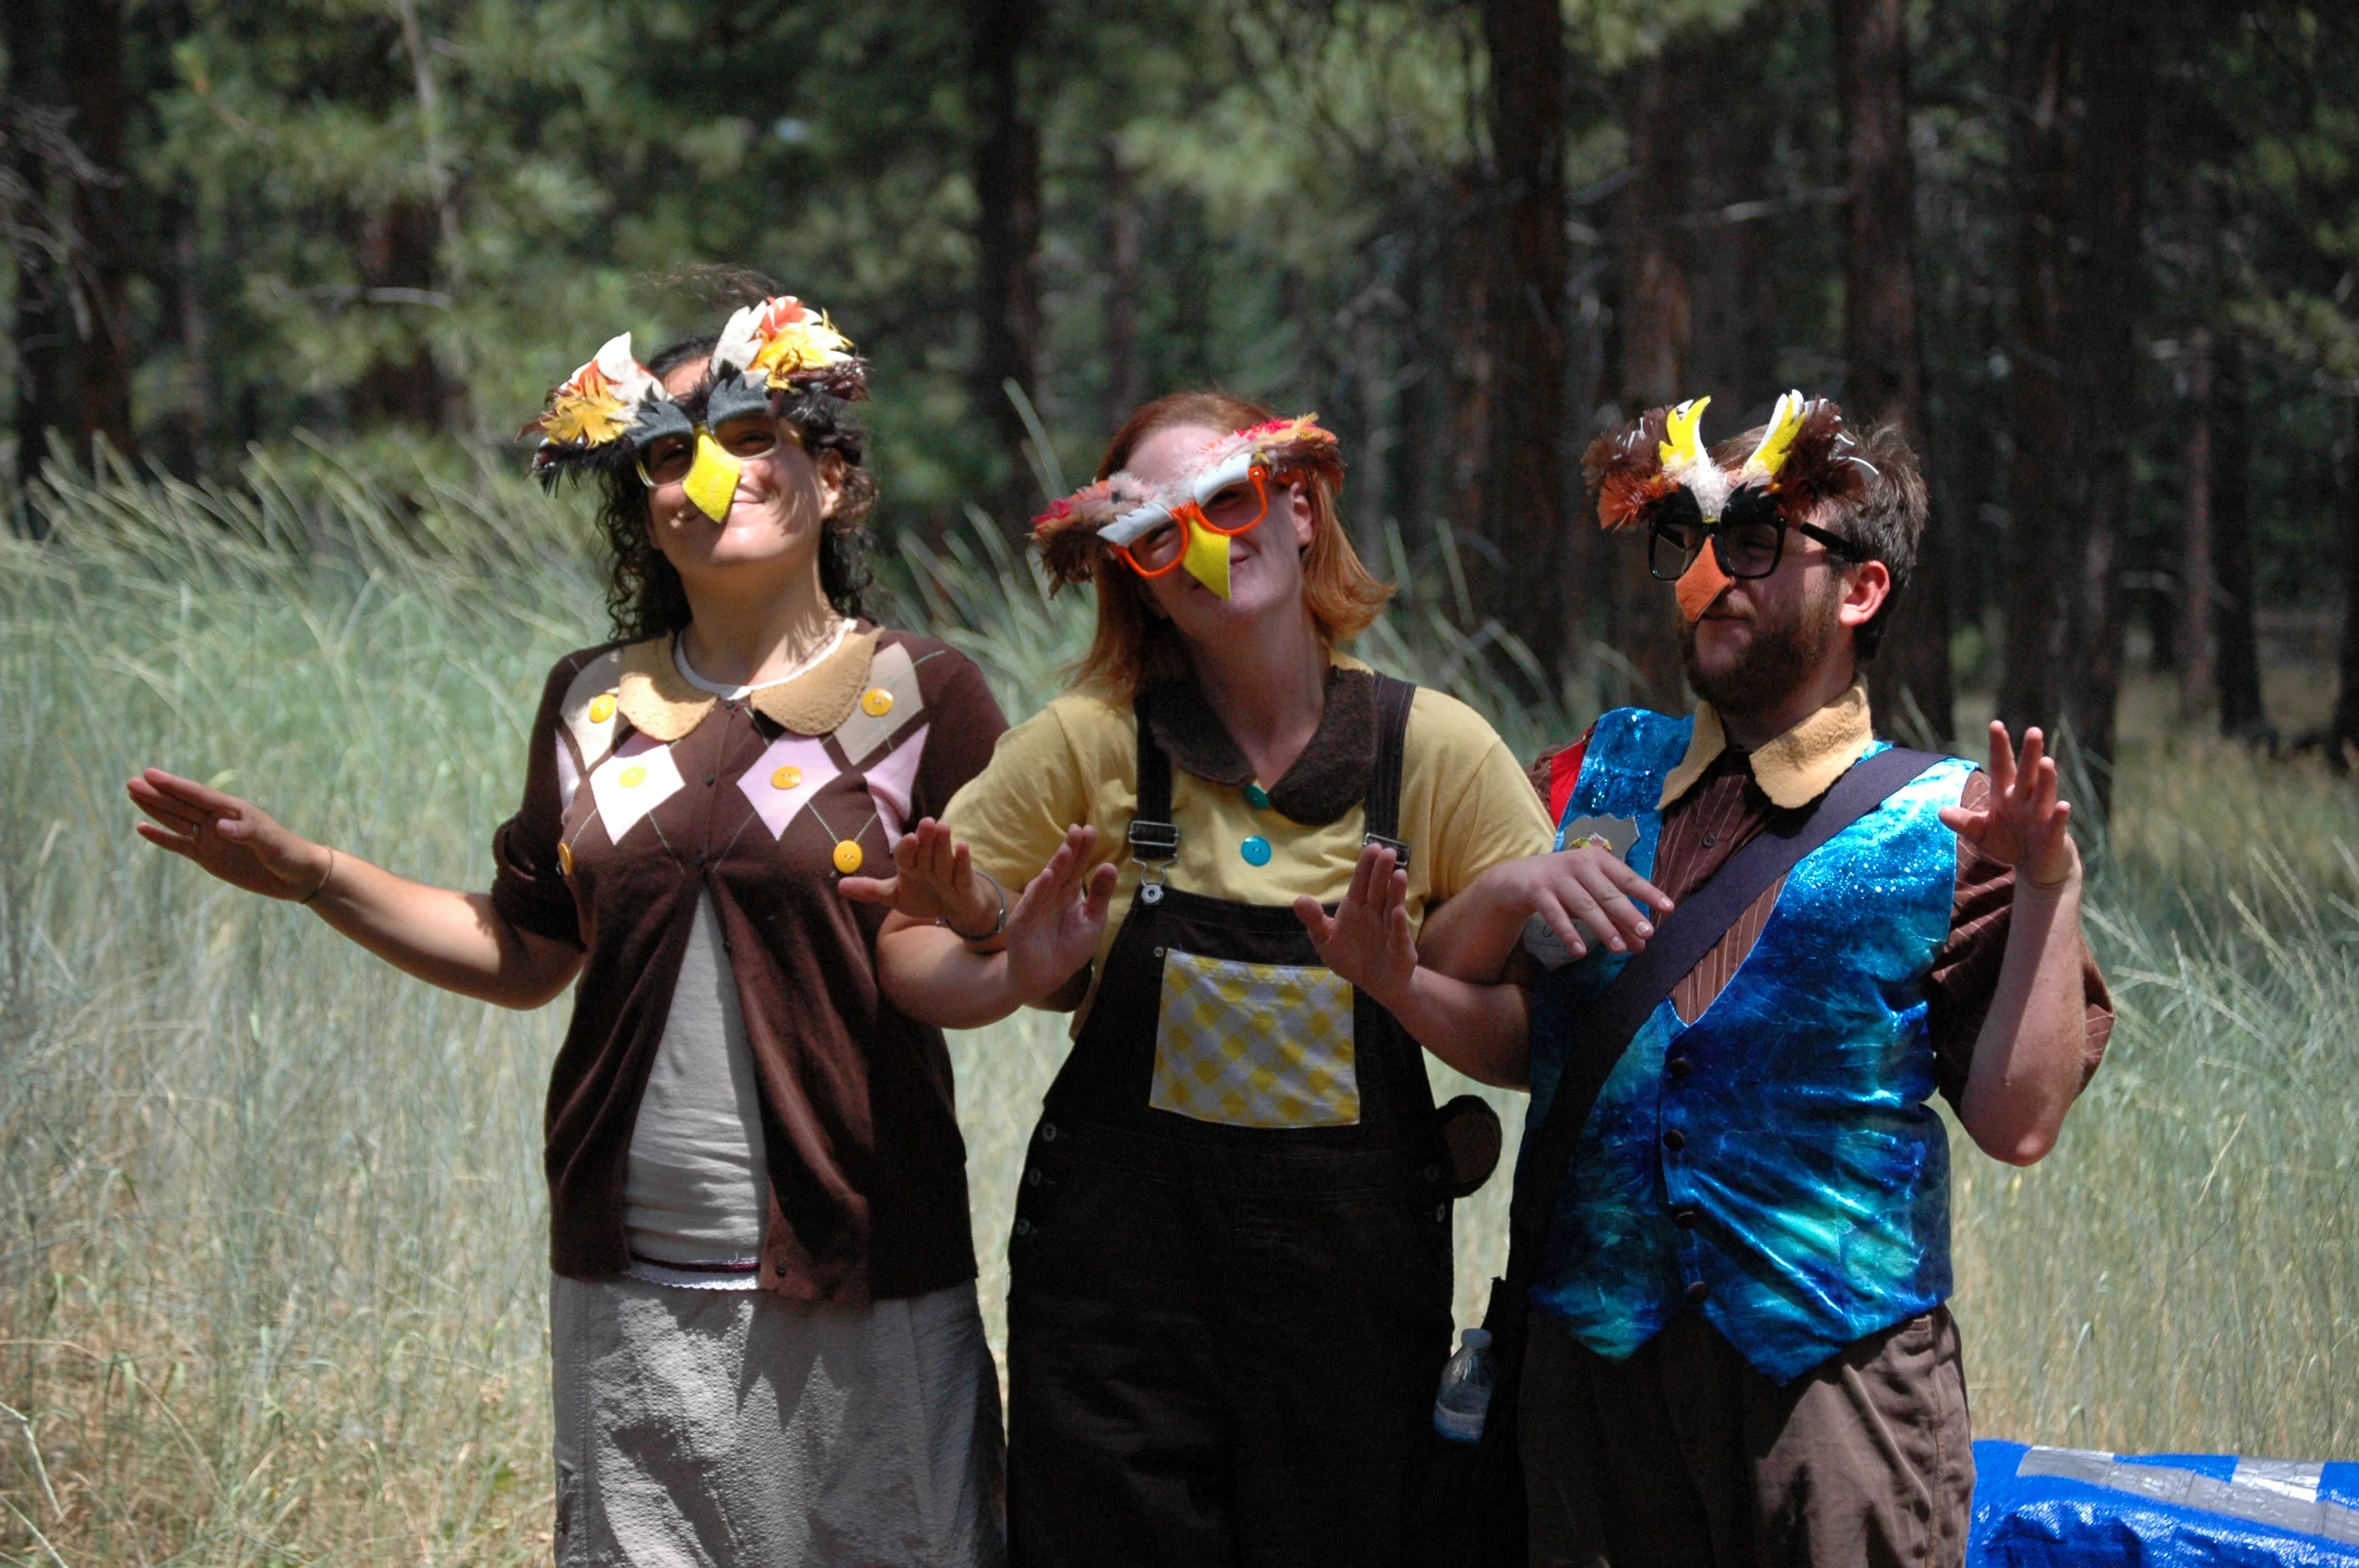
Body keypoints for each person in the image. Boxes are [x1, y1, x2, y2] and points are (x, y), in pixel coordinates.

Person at [126, 293, 1011, 1567]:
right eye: (669, 452)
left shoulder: (921, 695)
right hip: (628, 1285)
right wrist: (313, 873)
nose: (712, 471)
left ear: (830, 476)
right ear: (642, 504)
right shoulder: (589, 702)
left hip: (862, 1272)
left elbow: (998, 947)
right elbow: (527, 948)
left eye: (750, 433)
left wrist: (995, 929)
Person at [840, 392, 1648, 1567]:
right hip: (1114, 1324)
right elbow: (909, 951)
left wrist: (1406, 983)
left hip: (1351, 1333)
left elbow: (1535, 1045)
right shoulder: (1088, 742)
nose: (1205, 547)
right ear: (1134, 575)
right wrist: (1013, 969)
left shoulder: (1435, 753)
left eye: (1227, 500)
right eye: (1159, 534)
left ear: (1301, 506)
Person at [1423, 392, 2116, 1567]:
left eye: (1752, 540)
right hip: (1587, 1381)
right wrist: (1478, 908)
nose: (1708, 575)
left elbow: (2020, 1123)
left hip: (1831, 1397)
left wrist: (2049, 880)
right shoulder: (1591, 776)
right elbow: (1509, 1029)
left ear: (1860, 590)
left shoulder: (1951, 821)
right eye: (1687, 539)